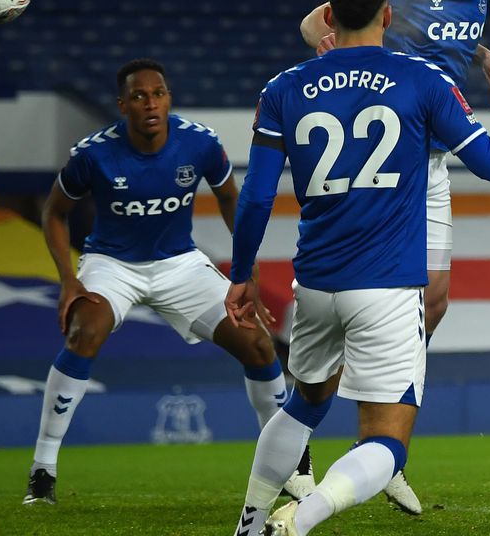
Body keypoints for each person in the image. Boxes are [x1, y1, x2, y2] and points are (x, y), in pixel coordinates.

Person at [228, 0, 490, 536]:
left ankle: (249, 525)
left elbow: (255, 197)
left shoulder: (283, 89)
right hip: (386, 287)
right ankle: (299, 520)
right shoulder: (423, 80)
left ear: (329, 16)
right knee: (386, 444)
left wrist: (240, 274)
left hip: (315, 285)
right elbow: (489, 163)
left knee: (303, 404)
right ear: (388, 15)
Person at [297, 0, 490, 512]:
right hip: (388, 161)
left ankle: (379, 450)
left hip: (434, 162)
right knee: (367, 306)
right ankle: (306, 435)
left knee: (433, 303)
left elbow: (448, 40)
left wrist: (483, 55)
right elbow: (314, 24)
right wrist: (334, 59)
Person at [22, 58, 312, 505]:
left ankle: (288, 462)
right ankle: (43, 470)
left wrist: (246, 266)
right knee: (85, 331)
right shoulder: (93, 154)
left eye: (158, 94)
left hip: (179, 264)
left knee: (257, 344)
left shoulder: (199, 143)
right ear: (123, 105)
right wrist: (68, 280)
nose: (150, 103)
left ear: (168, 99)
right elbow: (54, 213)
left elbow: (230, 199)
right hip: (112, 264)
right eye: (138, 96)